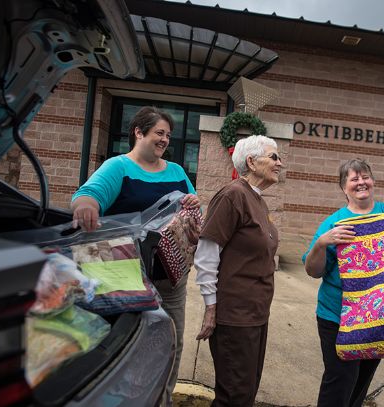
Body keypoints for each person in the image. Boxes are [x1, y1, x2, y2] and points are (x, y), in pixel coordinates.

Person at [71, 106, 200, 406]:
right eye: (159, 133)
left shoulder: (177, 171)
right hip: (124, 276)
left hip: (170, 277)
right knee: (127, 343)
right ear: (138, 133)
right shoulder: (118, 167)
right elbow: (87, 195)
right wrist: (87, 206)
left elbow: (194, 212)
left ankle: (161, 399)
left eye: (168, 135)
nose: (165, 139)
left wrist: (194, 204)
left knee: (171, 341)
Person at [302, 158, 384, 407]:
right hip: (337, 317)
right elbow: (313, 271)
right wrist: (322, 242)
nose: (361, 183)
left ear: (373, 181)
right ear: (343, 187)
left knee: (360, 383)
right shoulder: (333, 224)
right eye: (354, 179)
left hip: (376, 318)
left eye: (365, 176)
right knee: (340, 381)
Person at [194, 135, 285, 406]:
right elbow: (207, 254)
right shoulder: (233, 195)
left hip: (256, 313)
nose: (280, 163)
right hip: (235, 316)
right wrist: (211, 307)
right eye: (274, 157)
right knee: (234, 395)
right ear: (251, 162)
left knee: (246, 392)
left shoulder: (257, 199)